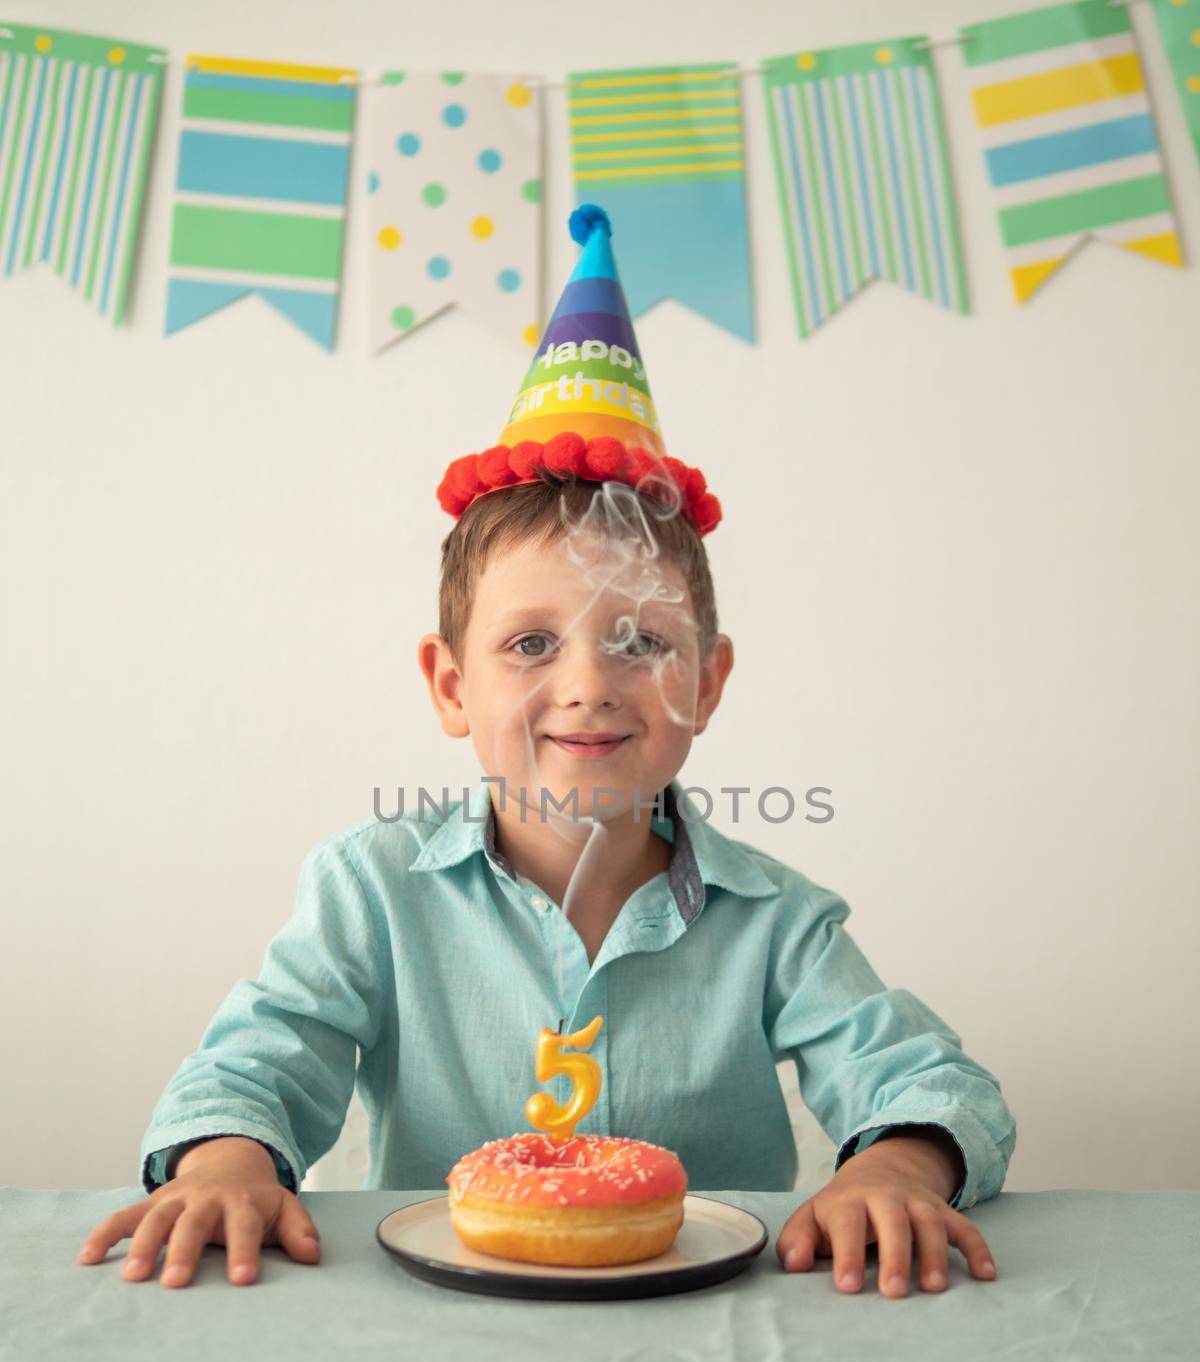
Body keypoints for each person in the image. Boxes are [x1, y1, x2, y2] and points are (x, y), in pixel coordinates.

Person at [77, 207, 1015, 1297]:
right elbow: (260, 1057)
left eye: (641, 642)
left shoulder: (777, 920)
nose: (587, 684)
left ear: (705, 682)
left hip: (714, 1329)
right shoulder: (370, 890)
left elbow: (924, 1075)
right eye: (531, 643)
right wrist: (227, 1159)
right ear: (449, 685)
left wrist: (899, 1164)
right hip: (438, 1324)